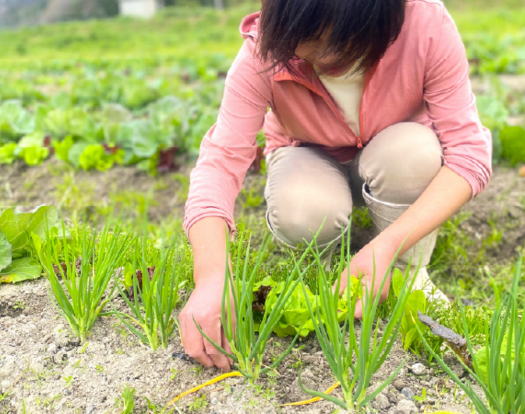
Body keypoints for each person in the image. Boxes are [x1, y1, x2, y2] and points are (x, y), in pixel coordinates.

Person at [178, 0, 492, 371]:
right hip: (308, 155)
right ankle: (323, 273)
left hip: (392, 152)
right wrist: (212, 276)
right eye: (301, 40)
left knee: (414, 153)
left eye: (331, 42)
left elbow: (469, 156)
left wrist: (387, 248)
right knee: (304, 211)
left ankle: (408, 271)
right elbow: (219, 163)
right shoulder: (266, 51)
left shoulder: (423, 26)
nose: (312, 56)